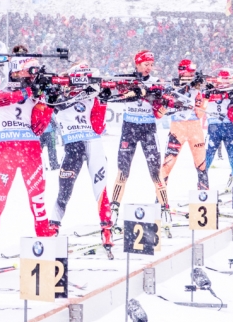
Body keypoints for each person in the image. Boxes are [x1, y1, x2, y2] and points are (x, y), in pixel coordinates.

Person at [0, 45, 54, 270]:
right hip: (5, 152)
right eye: (29, 70)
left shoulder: (35, 88)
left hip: (30, 151)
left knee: (38, 202)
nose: (32, 75)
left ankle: (45, 245)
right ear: (17, 68)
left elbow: (39, 128)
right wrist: (27, 92)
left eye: (34, 71)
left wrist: (46, 101)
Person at [48, 62, 114, 256]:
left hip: (94, 144)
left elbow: (99, 127)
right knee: (64, 192)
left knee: (100, 190)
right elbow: (54, 103)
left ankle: (106, 230)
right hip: (72, 147)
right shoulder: (59, 95)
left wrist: (102, 101)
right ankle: (53, 228)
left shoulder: (91, 94)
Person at [110, 50, 173, 227]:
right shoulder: (126, 80)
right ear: (137, 64)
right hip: (129, 128)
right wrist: (133, 91)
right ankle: (113, 209)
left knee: (155, 173)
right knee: (123, 171)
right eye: (146, 64)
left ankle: (165, 209)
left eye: (151, 65)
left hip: (148, 129)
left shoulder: (156, 83)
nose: (149, 68)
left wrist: (161, 102)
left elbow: (161, 113)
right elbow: (114, 93)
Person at [160, 59, 209, 195]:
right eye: (189, 72)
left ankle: (204, 196)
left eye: (193, 72)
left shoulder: (197, 88)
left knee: (201, 164)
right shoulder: (173, 86)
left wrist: (205, 98)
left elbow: (199, 114)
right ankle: (160, 199)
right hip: (177, 128)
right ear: (181, 72)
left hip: (195, 128)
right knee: (168, 164)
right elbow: (165, 105)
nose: (191, 75)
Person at [204, 69, 233, 180]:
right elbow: (200, 105)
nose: (224, 84)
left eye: (227, 81)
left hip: (228, 128)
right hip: (214, 128)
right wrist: (208, 93)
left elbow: (232, 117)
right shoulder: (209, 92)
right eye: (223, 80)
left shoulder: (231, 94)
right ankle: (203, 182)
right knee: (208, 156)